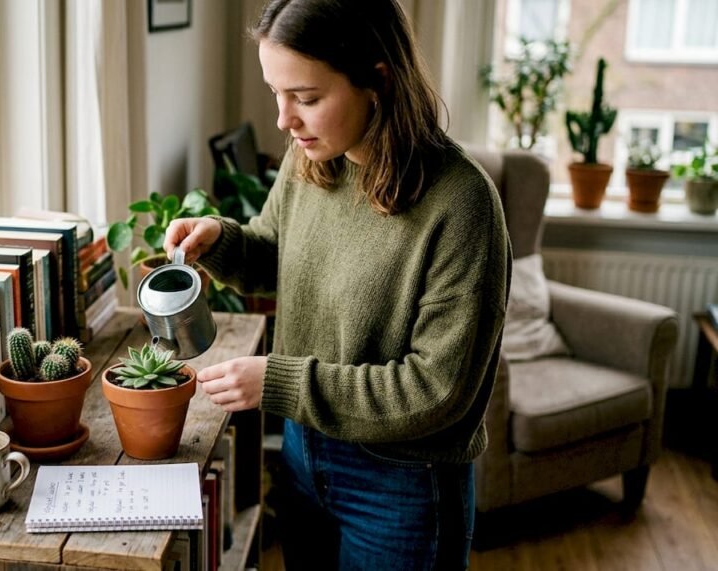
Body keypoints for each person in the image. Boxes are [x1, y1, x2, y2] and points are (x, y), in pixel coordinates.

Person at [163, 1, 511, 569]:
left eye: (306, 98)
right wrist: (219, 241)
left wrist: (279, 383)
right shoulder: (313, 163)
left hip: (402, 486)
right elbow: (277, 254)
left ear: (378, 80)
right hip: (305, 454)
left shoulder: (462, 203)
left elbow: (437, 389)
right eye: (277, 93)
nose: (284, 120)